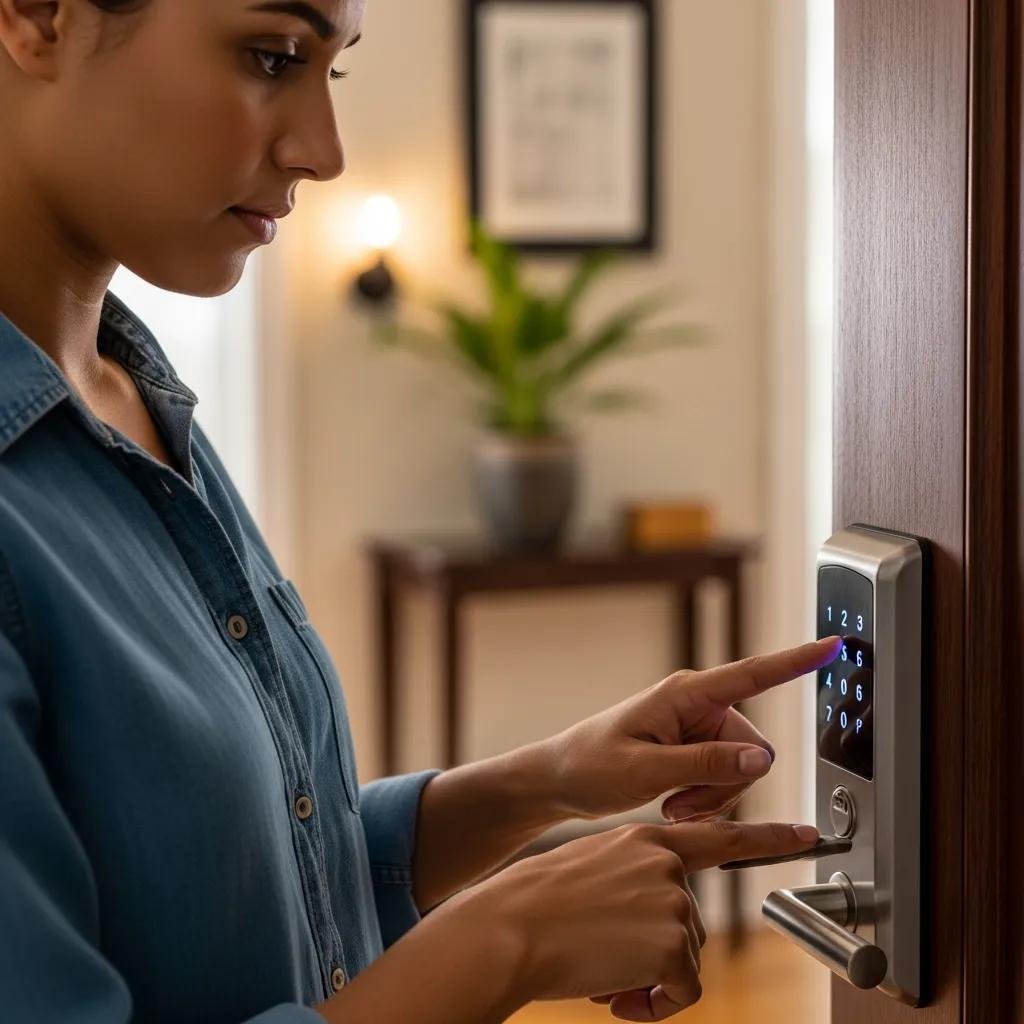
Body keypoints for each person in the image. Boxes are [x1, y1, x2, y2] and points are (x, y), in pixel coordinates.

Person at [0, 1, 840, 1021]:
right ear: (38, 17)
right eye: (272, 55)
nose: (325, 152)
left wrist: (547, 781)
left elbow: (252, 887)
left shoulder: (132, 401)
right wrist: (512, 935)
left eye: (334, 72)